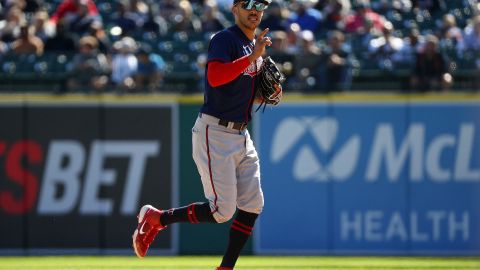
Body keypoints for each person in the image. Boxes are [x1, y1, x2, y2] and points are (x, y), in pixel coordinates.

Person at [132, 0, 282, 269]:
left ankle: (226, 267)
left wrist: (266, 92)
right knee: (221, 212)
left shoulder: (254, 46)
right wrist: (252, 58)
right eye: (248, 5)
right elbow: (215, 77)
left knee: (253, 203)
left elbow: (242, 88)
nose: (254, 11)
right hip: (215, 131)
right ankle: (157, 218)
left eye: (260, 6)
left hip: (241, 134)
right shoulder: (225, 39)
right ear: (234, 8)